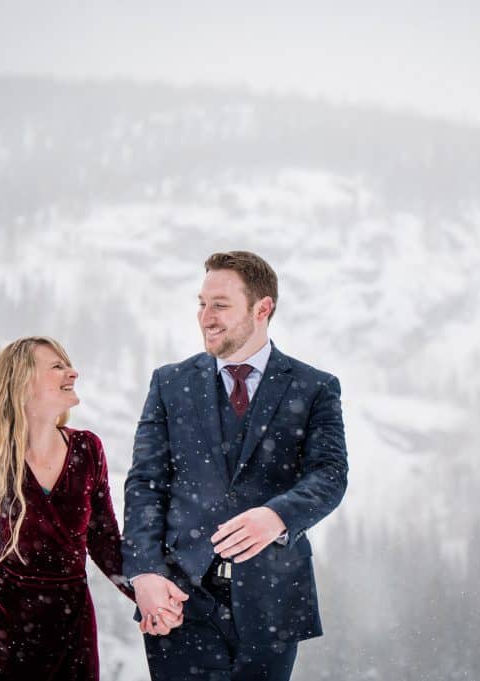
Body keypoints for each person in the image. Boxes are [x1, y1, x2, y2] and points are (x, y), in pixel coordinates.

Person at [123, 251, 349, 681]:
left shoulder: (315, 387)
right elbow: (145, 485)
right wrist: (144, 573)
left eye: (220, 305)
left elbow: (330, 474)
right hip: (178, 602)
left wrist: (278, 516)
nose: (205, 317)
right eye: (202, 303)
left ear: (262, 308)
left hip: (273, 603)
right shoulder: (169, 383)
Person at [0, 336, 134, 680]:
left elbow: (106, 543)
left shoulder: (87, 449)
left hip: (71, 632)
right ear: (22, 382)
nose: (73, 373)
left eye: (69, 364)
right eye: (57, 366)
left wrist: (144, 593)